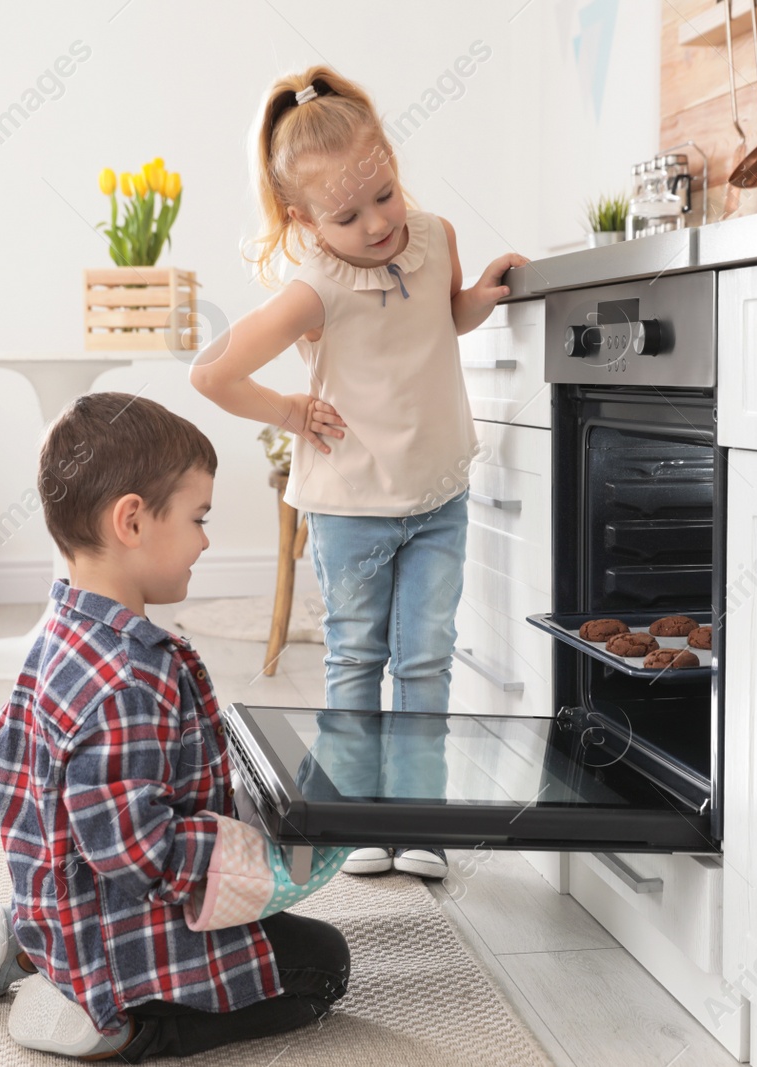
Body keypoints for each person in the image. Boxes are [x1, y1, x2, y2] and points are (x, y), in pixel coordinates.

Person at [190, 66, 528, 881]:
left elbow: (438, 316)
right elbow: (213, 373)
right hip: (351, 509)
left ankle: (418, 821)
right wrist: (289, 410)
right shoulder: (315, 288)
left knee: (426, 659)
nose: (378, 223)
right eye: (347, 214)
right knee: (356, 659)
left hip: (438, 492)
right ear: (304, 219)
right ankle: (352, 819)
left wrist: (479, 298)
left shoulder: (435, 235)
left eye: (383, 194)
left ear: (390, 167)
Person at [0, 393, 350, 1062]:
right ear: (133, 521)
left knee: (276, 927)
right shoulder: (125, 678)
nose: (207, 539)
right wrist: (243, 856)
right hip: (112, 936)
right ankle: (119, 1026)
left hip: (61, 904)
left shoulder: (63, 634)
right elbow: (136, 851)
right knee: (322, 961)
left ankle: (32, 942)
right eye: (198, 517)